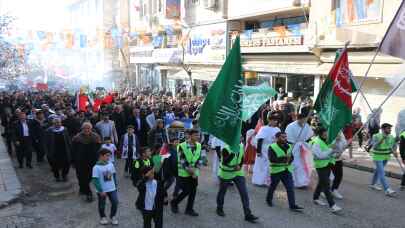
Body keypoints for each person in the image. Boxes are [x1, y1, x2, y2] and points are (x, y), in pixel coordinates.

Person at [216, 143, 259, 223]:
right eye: (237, 137)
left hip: (238, 173)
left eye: (240, 137)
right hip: (226, 173)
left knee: (244, 193)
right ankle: (219, 208)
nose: (240, 139)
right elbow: (225, 162)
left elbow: (241, 157)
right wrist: (233, 151)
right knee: (222, 192)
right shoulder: (226, 148)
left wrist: (239, 165)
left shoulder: (241, 146)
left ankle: (248, 214)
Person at [266, 132, 303, 212]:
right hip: (276, 171)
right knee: (273, 186)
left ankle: (292, 205)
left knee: (290, 188)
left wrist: (289, 160)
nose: (285, 139)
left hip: (287, 170)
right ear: (277, 138)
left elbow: (292, 157)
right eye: (283, 137)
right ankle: (268, 200)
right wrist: (284, 158)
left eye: (285, 137)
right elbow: (272, 159)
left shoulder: (289, 146)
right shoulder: (272, 147)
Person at [170, 129, 202, 217]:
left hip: (194, 172)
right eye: (196, 135)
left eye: (198, 135)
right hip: (184, 173)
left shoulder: (199, 145)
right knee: (186, 191)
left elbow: (200, 158)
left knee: (193, 191)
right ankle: (174, 203)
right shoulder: (181, 146)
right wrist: (190, 171)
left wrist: (196, 169)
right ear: (190, 136)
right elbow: (182, 160)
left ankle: (189, 209)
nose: (198, 137)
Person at [311, 128, 342, 213]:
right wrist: (332, 150)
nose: (327, 135)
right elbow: (320, 155)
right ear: (320, 134)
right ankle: (333, 205)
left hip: (327, 164)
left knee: (321, 183)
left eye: (327, 134)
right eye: (325, 134)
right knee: (326, 185)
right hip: (320, 166)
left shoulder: (324, 140)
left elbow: (328, 151)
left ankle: (315, 198)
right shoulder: (316, 143)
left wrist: (335, 153)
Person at [72, 122, 102, 202]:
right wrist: (73, 161)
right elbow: (73, 150)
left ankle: (88, 193)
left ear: (91, 129)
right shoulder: (77, 138)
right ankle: (83, 189)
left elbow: (99, 150)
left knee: (88, 177)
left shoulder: (96, 137)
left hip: (92, 161)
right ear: (82, 129)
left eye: (88, 128)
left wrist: (100, 160)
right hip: (80, 161)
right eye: (85, 128)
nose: (86, 130)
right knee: (81, 177)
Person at [285, 110, 314, 188]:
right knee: (296, 164)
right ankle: (295, 181)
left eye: (305, 119)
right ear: (299, 119)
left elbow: (309, 136)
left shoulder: (306, 125)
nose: (304, 121)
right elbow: (288, 139)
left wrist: (307, 143)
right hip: (294, 147)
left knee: (303, 164)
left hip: (303, 147)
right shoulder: (290, 126)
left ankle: (303, 182)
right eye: (303, 119)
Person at [92, 148, 119, 226]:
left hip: (112, 188)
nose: (109, 158)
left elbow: (113, 175)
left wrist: (115, 185)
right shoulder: (96, 167)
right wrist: (100, 190)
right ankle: (103, 217)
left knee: (115, 202)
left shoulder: (110, 164)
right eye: (107, 156)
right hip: (102, 190)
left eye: (109, 156)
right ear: (101, 156)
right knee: (101, 204)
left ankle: (112, 216)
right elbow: (95, 180)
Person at [369, 123, 397, 196]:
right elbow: (374, 146)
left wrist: (394, 151)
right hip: (377, 157)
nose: (390, 130)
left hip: (386, 157)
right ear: (383, 129)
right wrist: (382, 139)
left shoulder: (391, 136)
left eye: (390, 128)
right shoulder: (376, 136)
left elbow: (394, 145)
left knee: (378, 171)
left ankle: (372, 184)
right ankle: (387, 189)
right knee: (382, 173)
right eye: (388, 128)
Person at [252, 114, 280, 186]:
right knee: (261, 165)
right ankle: (259, 181)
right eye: (274, 120)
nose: (275, 122)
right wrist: (258, 151)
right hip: (264, 149)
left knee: (269, 166)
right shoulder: (264, 128)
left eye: (276, 120)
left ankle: (268, 181)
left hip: (273, 148)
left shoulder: (277, 129)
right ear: (269, 120)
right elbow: (260, 139)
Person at [45, 118, 72, 182]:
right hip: (54, 150)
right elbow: (47, 142)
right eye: (56, 123)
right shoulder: (49, 130)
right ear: (53, 124)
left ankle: (64, 175)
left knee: (66, 163)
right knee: (55, 165)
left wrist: (70, 148)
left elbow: (68, 140)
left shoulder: (64, 129)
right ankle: (57, 176)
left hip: (64, 150)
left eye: (59, 122)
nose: (58, 124)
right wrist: (47, 152)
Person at [330, 132, 350, 199]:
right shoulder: (330, 131)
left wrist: (348, 143)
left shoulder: (340, 133)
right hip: (328, 158)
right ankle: (322, 191)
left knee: (339, 175)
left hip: (338, 158)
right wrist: (336, 141)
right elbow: (328, 146)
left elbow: (344, 145)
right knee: (325, 176)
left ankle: (334, 189)